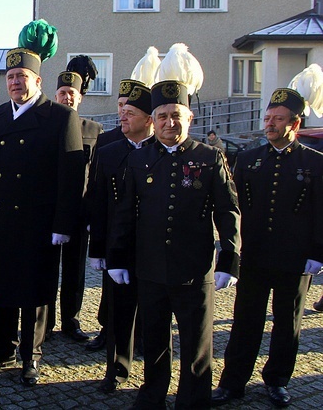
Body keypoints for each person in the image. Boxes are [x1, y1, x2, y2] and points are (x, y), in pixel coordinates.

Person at [107, 76, 241, 409]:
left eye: (176, 115)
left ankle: (193, 401)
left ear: (189, 118)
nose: (169, 122)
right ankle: (153, 395)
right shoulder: (138, 159)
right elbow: (125, 213)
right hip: (150, 267)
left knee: (196, 345)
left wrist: (230, 258)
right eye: (163, 115)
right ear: (153, 119)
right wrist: (118, 258)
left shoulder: (209, 158)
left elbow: (228, 211)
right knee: (154, 340)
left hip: (194, 270)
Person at [0, 20, 85, 386]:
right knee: (3, 285)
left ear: (37, 81)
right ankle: (2, 348)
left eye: (22, 76)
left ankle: (30, 356)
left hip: (40, 222)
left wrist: (63, 224)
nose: (15, 82)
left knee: (36, 292)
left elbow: (71, 178)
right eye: (11, 77)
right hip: (2, 218)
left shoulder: (60, 117)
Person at [212, 87, 323, 408]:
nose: (270, 124)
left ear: (295, 124)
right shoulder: (248, 160)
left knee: (287, 323)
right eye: (268, 118)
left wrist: (318, 252)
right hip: (255, 257)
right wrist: (232, 251)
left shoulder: (315, 163)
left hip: (295, 259)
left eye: (278, 119)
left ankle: (277, 380)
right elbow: (236, 209)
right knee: (245, 320)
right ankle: (233, 383)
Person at [88, 82, 154, 393]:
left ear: (149, 119)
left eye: (130, 113)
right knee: (118, 311)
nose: (122, 117)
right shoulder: (109, 151)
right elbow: (98, 202)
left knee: (154, 311)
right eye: (122, 111)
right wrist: (98, 248)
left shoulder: (162, 152)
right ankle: (116, 368)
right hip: (118, 246)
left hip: (154, 247)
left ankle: (155, 371)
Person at [49, 55, 102, 342]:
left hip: (80, 211)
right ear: (55, 96)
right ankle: (43, 324)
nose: (67, 98)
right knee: (46, 268)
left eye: (72, 94)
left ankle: (71, 320)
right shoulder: (44, 128)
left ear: (79, 98)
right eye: (62, 93)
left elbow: (97, 175)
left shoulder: (94, 131)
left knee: (74, 270)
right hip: (50, 211)